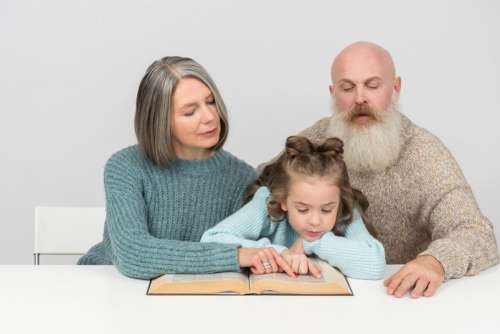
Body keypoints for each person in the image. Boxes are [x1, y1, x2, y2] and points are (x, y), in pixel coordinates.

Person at [290, 41, 499, 297]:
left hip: (395, 299)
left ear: (396, 88)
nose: (360, 98)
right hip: (312, 295)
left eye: (372, 85)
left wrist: (435, 261)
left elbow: (475, 232)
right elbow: (259, 187)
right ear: (333, 93)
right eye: (347, 88)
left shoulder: (423, 152)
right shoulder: (316, 138)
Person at [78, 56, 278, 280]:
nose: (210, 117)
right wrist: (236, 256)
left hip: (187, 298)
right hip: (106, 287)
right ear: (160, 121)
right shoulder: (125, 167)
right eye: (190, 112)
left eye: (211, 102)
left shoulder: (242, 178)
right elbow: (133, 255)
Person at [202, 136, 386, 280]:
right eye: (303, 209)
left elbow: (375, 263)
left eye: (327, 210)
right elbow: (210, 240)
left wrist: (311, 243)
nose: (315, 221)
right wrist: (282, 253)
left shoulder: (345, 209)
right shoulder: (266, 203)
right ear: (283, 200)